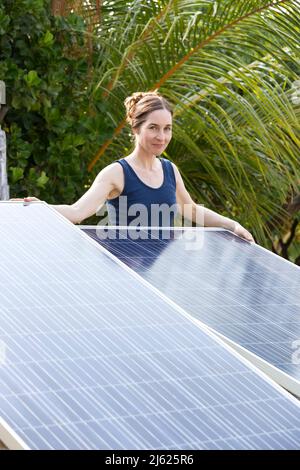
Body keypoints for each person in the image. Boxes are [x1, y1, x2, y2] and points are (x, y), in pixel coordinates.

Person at [16, 91, 254, 242]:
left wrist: (231, 224)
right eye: (153, 128)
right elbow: (77, 213)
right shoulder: (116, 173)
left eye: (167, 128)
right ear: (136, 129)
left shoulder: (170, 170)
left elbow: (191, 209)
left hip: (163, 275)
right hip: (125, 277)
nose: (161, 136)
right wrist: (42, 208)